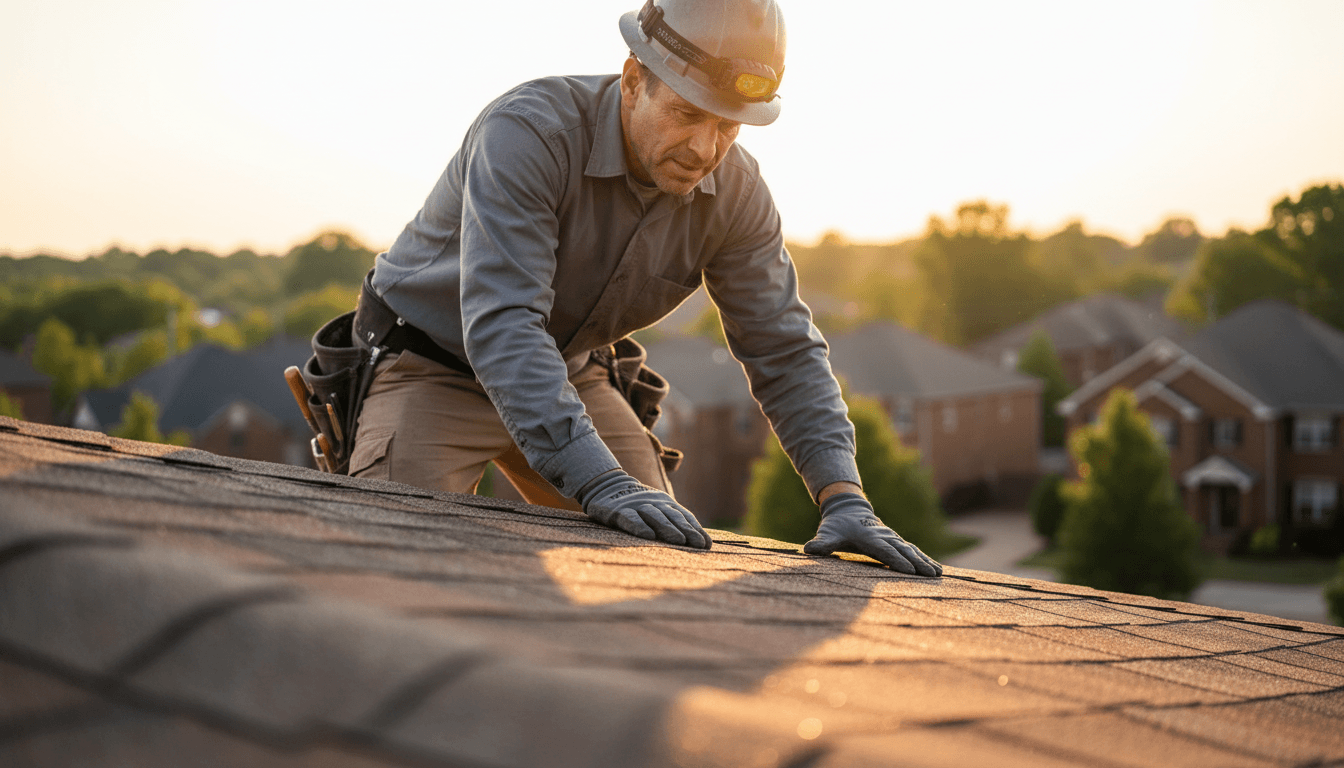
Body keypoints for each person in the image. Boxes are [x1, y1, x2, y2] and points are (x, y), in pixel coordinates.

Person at [347, 0, 942, 577]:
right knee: (401, 558)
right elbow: (503, 325)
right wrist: (598, 481)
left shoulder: (737, 195)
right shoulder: (529, 133)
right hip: (432, 364)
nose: (706, 150)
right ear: (635, 79)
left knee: (660, 555)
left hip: (570, 369)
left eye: (728, 126)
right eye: (687, 114)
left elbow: (784, 349)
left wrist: (844, 496)